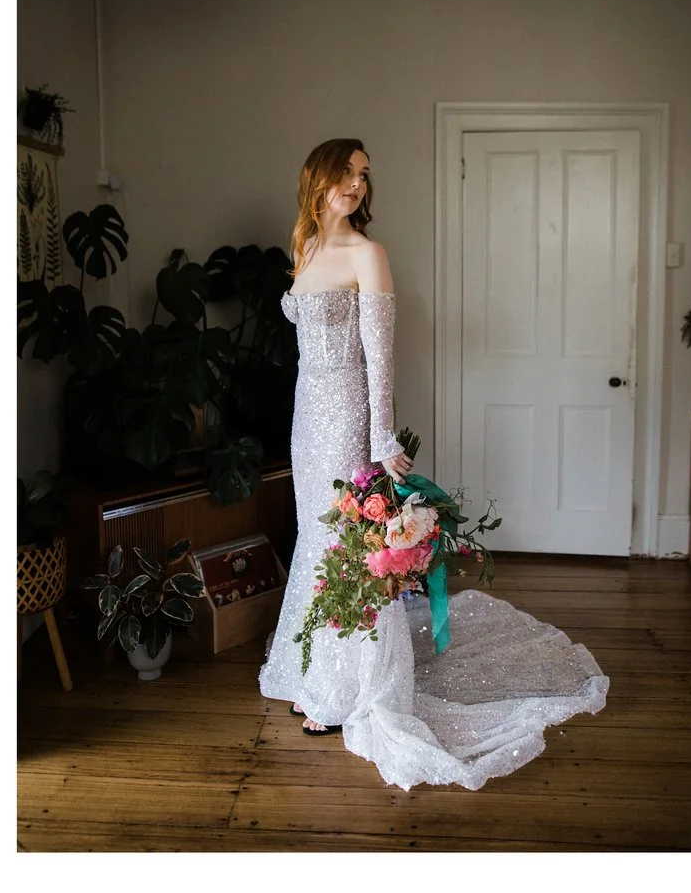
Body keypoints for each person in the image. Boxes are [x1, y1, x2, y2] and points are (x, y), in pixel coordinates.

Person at [255, 138, 609, 791]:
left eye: (365, 174)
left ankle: (348, 687)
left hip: (348, 420)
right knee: (316, 536)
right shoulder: (303, 250)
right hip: (308, 416)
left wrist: (382, 437)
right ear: (319, 178)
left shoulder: (369, 254)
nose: (358, 185)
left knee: (349, 544)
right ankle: (314, 672)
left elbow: (379, 355)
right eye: (347, 174)